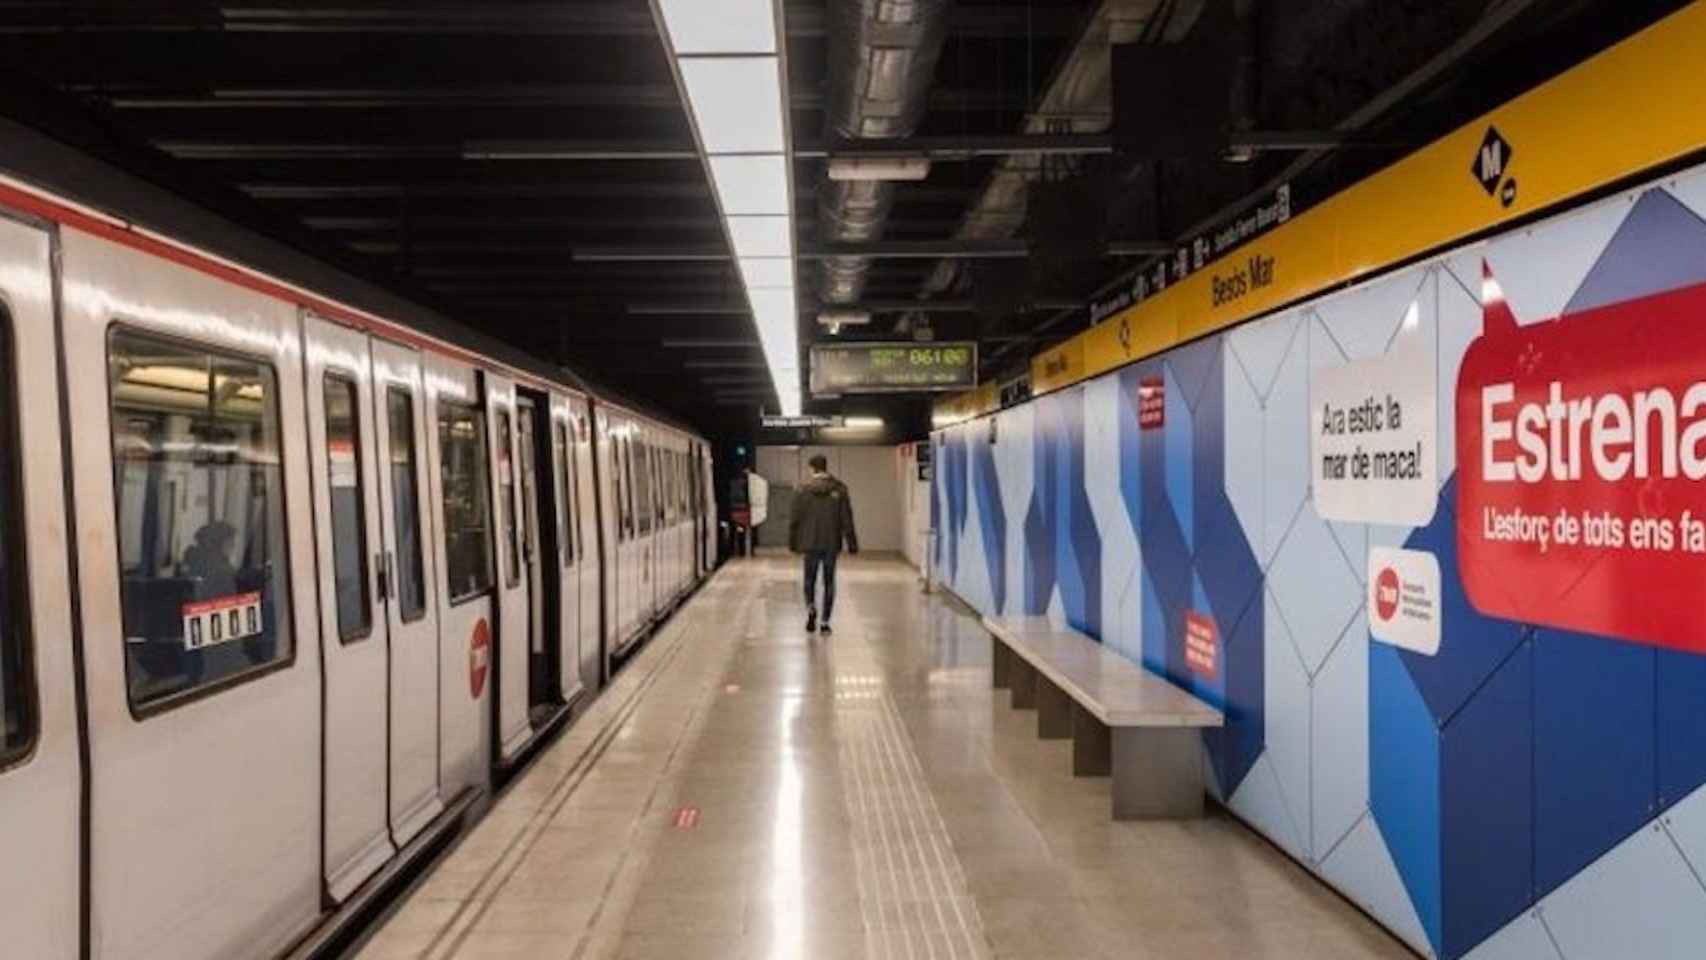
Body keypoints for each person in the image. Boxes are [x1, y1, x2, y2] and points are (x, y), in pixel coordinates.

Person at [789, 454, 858, 634]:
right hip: (831, 543)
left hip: (809, 543)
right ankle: (825, 622)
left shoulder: (801, 490)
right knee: (829, 582)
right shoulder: (840, 489)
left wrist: (792, 543)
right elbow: (847, 519)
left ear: (811, 468)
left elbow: (794, 519)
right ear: (826, 467)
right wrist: (852, 543)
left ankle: (811, 607)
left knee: (809, 580)